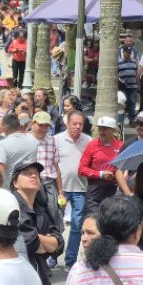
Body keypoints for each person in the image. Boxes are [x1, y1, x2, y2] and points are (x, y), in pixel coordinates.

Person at [10, 159, 63, 285]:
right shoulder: (13, 206)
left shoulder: (41, 209)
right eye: (27, 173)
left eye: (36, 174)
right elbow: (29, 243)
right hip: (17, 278)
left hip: (37, 277)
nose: (34, 176)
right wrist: (47, 242)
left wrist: (40, 239)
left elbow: (59, 243)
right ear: (15, 183)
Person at [56, 111, 91, 267]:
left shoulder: (88, 141)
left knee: (77, 227)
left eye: (80, 124)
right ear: (67, 124)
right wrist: (58, 191)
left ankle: (70, 261)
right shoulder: (56, 140)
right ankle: (53, 255)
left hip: (81, 190)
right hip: (60, 190)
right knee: (57, 225)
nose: (77, 127)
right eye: (74, 124)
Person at [78, 117, 122, 213]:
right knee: (94, 220)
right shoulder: (92, 145)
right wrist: (100, 174)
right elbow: (81, 169)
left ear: (113, 131)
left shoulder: (121, 146)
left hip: (114, 189)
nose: (101, 132)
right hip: (95, 190)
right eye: (100, 129)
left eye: (105, 129)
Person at [0, 113, 39, 190]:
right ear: (19, 126)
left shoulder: (2, 144)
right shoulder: (34, 142)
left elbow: (0, 171)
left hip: (10, 187)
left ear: (4, 128)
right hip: (29, 185)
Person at [118, 47, 139, 124]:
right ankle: (120, 120)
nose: (128, 54)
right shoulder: (119, 62)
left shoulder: (134, 62)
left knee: (132, 103)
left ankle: (132, 119)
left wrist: (138, 83)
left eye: (129, 52)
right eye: (127, 52)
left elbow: (137, 73)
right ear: (123, 53)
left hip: (133, 86)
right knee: (122, 103)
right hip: (123, 86)